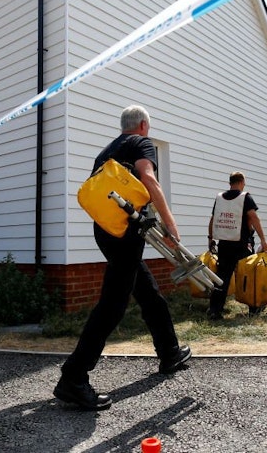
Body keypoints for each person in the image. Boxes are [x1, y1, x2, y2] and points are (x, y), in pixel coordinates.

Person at [54, 105, 192, 411]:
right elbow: (149, 179)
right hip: (127, 232)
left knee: (147, 291)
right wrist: (171, 225)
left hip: (105, 231)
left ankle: (169, 352)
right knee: (113, 304)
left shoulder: (106, 152)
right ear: (143, 125)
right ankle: (73, 378)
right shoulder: (141, 144)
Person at [207, 172, 267, 319]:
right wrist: (263, 240)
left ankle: (215, 310)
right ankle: (253, 309)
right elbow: (253, 217)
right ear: (241, 182)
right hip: (242, 244)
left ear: (230, 182)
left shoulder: (220, 198)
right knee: (249, 276)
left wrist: (210, 239)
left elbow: (213, 219)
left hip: (224, 244)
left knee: (222, 278)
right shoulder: (245, 197)